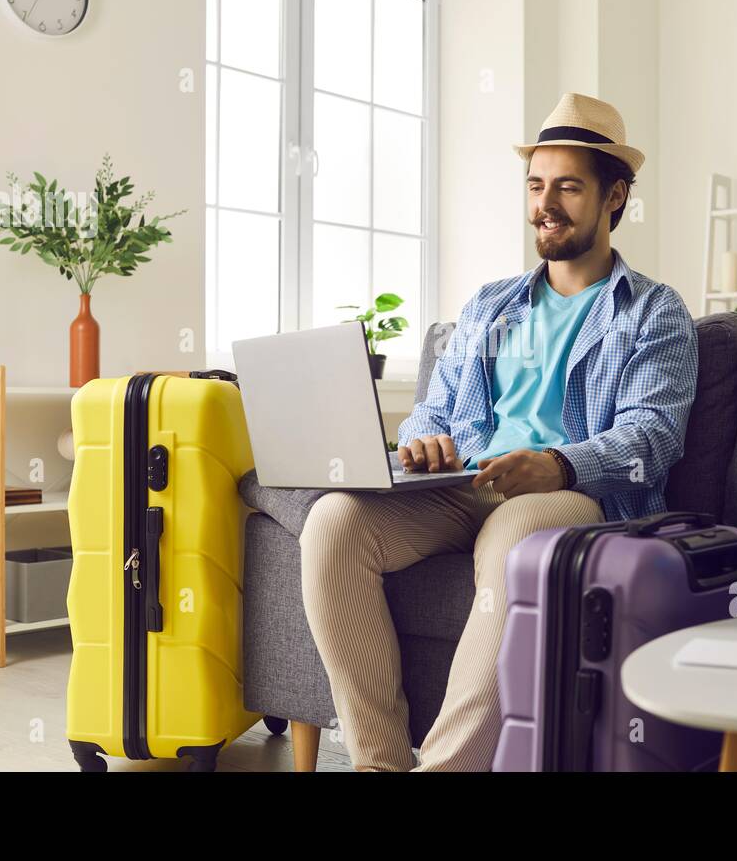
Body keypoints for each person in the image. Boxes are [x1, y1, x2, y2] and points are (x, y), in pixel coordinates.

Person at [298, 93, 699, 771]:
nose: (545, 203)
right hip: (466, 483)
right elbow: (435, 406)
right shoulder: (491, 305)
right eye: (536, 184)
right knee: (333, 523)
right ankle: (378, 762)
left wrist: (557, 463)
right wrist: (422, 442)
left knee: (515, 538)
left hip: (572, 493)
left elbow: (652, 437)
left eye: (569, 186)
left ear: (614, 196)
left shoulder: (652, 311)